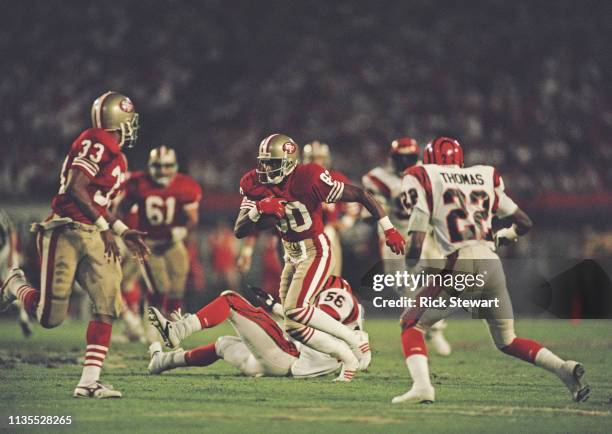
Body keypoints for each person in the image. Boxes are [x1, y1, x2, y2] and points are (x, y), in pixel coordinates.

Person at [392, 137, 590, 404]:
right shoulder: (482, 176)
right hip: (492, 264)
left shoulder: (424, 178)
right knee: (507, 340)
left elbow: (415, 243)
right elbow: (524, 222)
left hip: (460, 262)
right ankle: (564, 369)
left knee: (411, 322)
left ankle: (423, 387)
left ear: (428, 163)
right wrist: (507, 234)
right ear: (459, 161)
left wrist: (409, 267)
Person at [0, 91, 149, 399]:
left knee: (107, 302)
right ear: (118, 122)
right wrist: (106, 227)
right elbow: (75, 188)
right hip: (65, 229)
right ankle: (14, 283)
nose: (132, 127)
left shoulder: (116, 155)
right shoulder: (98, 141)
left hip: (95, 232)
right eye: (128, 121)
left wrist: (122, 230)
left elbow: (97, 200)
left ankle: (89, 381)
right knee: (49, 318)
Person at [147, 275, 366, 379]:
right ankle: (162, 361)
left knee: (230, 300)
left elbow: (316, 323)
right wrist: (274, 306)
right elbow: (362, 359)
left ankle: (180, 329)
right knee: (223, 345)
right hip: (278, 366)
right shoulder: (356, 328)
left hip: (287, 358)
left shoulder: (336, 293)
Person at [362, 137, 451, 356]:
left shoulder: (428, 172)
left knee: (442, 278)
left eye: (408, 158)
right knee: (404, 285)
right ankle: (417, 328)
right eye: (400, 158)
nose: (404, 162)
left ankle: (435, 328)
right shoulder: (377, 178)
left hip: (426, 231)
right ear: (392, 158)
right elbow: (373, 212)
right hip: (396, 232)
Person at [115, 145, 201, 314]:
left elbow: (192, 218)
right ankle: (153, 324)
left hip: (172, 242)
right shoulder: (138, 183)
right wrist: (126, 234)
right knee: (159, 287)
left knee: (177, 285)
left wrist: (183, 230)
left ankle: (172, 321)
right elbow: (120, 210)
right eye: (158, 166)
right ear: (150, 166)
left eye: (167, 166)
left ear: (175, 167)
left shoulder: (185, 185)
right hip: (148, 243)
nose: (162, 171)